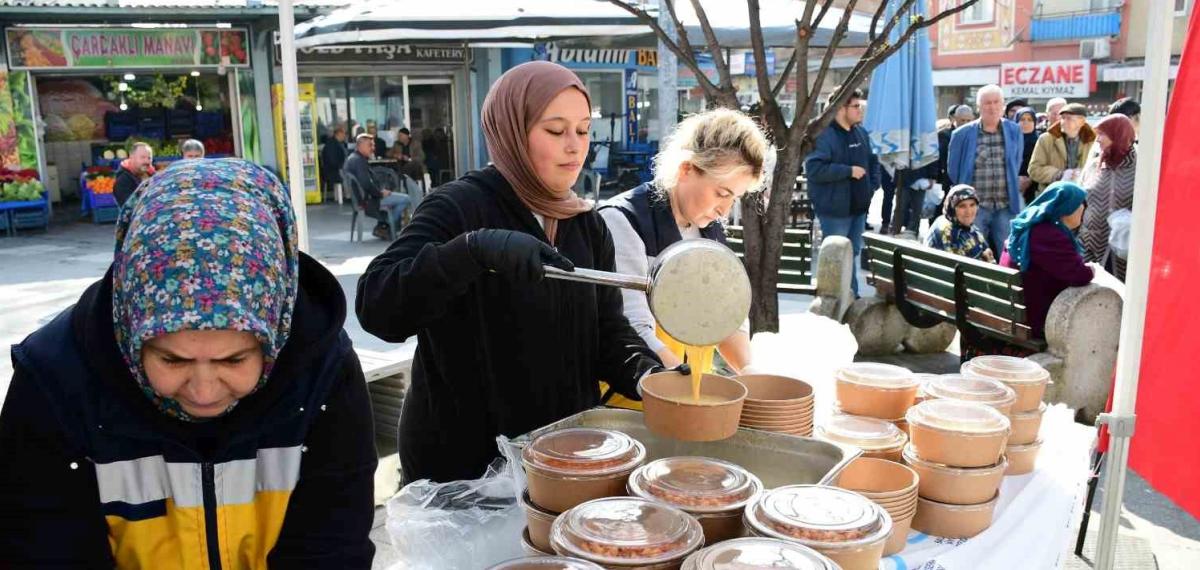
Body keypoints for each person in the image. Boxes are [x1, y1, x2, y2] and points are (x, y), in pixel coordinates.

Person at [0, 159, 377, 567]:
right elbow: (42, 550)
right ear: (131, 325)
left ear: (276, 327)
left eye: (234, 359)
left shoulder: (322, 371)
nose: (203, 390)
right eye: (171, 359)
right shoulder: (53, 380)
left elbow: (333, 544)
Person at [355, 61, 668, 484]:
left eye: (582, 130)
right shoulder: (458, 206)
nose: (575, 147)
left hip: (558, 459)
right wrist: (471, 251)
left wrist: (646, 373)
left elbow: (606, 330)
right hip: (463, 467)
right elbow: (379, 307)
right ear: (512, 133)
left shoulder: (585, 224)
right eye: (556, 131)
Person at [597, 108, 766, 408]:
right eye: (721, 193)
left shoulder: (708, 229)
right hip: (633, 401)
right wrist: (688, 389)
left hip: (688, 394)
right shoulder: (623, 221)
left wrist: (749, 372)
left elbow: (726, 314)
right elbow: (632, 325)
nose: (724, 211)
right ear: (686, 169)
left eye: (734, 198)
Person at [804, 87, 881, 297]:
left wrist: (872, 185)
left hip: (858, 208)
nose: (860, 110)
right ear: (840, 108)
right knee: (836, 257)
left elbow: (873, 161)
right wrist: (848, 172)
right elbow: (813, 169)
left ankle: (849, 296)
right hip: (834, 209)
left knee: (853, 253)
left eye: (861, 106)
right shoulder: (823, 135)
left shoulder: (860, 132)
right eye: (856, 106)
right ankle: (840, 298)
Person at [1000, 181, 1095, 340]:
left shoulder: (1028, 225)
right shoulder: (1048, 235)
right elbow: (1080, 275)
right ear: (1066, 207)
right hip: (1032, 320)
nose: (1084, 207)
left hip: (1012, 310)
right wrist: (1092, 270)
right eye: (1080, 203)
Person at [947, 84, 1024, 252]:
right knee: (974, 253)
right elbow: (953, 170)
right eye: (987, 103)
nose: (992, 107)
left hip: (1005, 205)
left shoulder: (1014, 130)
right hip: (975, 207)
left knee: (1008, 254)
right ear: (978, 107)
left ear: (1003, 106)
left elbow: (1015, 163)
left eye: (997, 102)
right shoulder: (961, 134)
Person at [1079, 113, 1137, 281]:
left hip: (1123, 247)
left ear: (1118, 135)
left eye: (1102, 134)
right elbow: (1081, 199)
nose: (1097, 140)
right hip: (1091, 242)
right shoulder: (1093, 166)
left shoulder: (1141, 168)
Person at [344, 133, 412, 239]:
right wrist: (380, 193)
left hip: (364, 198)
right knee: (406, 199)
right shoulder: (358, 161)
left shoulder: (354, 158)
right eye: (370, 145)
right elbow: (366, 183)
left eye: (373, 145)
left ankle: (383, 226)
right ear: (360, 146)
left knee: (395, 196)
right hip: (369, 200)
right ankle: (388, 225)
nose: (373, 148)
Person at [1028, 103, 1096, 194]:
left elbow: (1098, 169)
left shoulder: (1093, 140)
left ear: (1081, 122)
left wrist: (1084, 174)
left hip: (1082, 195)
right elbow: (1033, 169)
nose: (1063, 122)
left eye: (1069, 119)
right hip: (1052, 195)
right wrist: (1059, 174)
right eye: (1063, 118)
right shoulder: (1046, 139)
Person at [926, 184, 995, 262]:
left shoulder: (967, 227)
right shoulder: (947, 231)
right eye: (962, 206)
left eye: (972, 205)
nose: (968, 211)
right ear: (951, 208)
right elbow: (957, 267)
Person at [113, 142, 154, 208]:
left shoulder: (152, 174)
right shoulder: (123, 180)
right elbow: (130, 208)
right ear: (131, 157)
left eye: (149, 158)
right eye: (142, 157)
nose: (147, 161)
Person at [1014, 107, 1041, 204]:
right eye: (1022, 119)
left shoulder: (1040, 142)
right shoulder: (1009, 141)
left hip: (1035, 189)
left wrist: (1029, 179)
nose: (1026, 122)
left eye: (1030, 120)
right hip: (1012, 186)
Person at [321, 124, 349, 199]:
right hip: (332, 170)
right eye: (344, 133)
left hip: (338, 167)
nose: (345, 136)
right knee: (348, 174)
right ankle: (349, 195)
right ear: (339, 133)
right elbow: (332, 160)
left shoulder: (340, 144)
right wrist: (341, 165)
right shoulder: (331, 144)